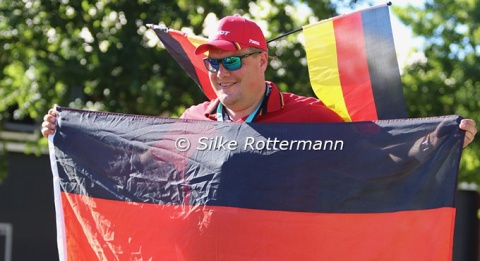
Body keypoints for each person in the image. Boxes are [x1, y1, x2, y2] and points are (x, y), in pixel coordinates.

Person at [41, 15, 477, 147]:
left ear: (262, 60)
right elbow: (139, 167)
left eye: (231, 62)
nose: (218, 73)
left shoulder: (311, 118)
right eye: (212, 64)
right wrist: (72, 136)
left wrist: (441, 142)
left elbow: (378, 158)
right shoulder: (193, 120)